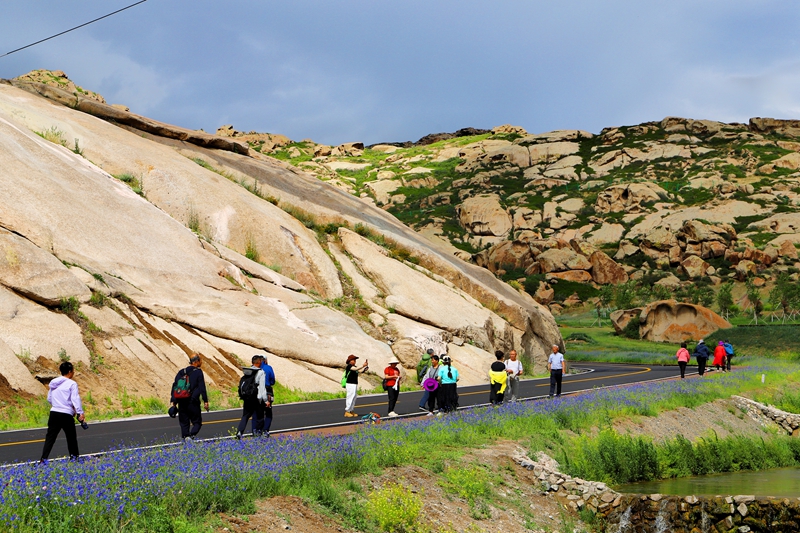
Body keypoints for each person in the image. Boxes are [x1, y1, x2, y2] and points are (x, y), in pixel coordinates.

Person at [40, 361, 85, 461]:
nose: (73, 373)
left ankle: (43, 459)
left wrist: (57, 405)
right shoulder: (72, 384)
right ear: (69, 371)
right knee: (71, 437)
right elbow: (75, 398)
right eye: (73, 371)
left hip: (54, 413)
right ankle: (74, 459)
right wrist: (79, 412)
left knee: (50, 438)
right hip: (66, 414)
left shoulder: (54, 383)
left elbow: (49, 398)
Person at [170, 354, 209, 442]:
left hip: (181, 401)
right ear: (196, 361)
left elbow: (175, 386)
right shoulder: (198, 372)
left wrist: (174, 401)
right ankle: (191, 437)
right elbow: (202, 387)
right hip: (193, 401)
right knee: (197, 422)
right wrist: (205, 401)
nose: (201, 363)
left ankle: (186, 438)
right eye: (200, 361)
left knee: (184, 422)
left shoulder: (181, 372)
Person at [236, 355, 267, 439]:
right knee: (260, 416)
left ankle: (239, 432)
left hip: (247, 397)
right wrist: (265, 400)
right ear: (259, 362)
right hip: (256, 398)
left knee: (245, 415)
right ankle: (258, 434)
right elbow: (262, 388)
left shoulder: (247, 371)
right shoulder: (260, 372)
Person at [255, 353, 276, 435]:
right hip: (267, 391)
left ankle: (257, 431)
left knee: (257, 413)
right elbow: (272, 381)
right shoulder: (268, 368)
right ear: (265, 360)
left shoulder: (254, 368)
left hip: (255, 392)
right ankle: (265, 430)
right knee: (268, 413)